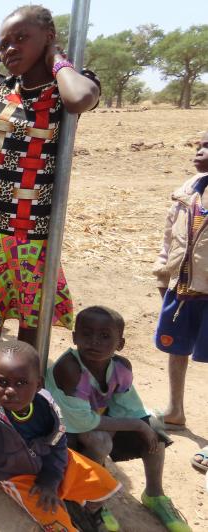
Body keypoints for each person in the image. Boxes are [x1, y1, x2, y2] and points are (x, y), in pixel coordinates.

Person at [0, 4, 100, 385]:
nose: (11, 48)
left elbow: (80, 99)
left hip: (34, 235)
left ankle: (26, 391)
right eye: (4, 42)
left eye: (21, 38)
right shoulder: (3, 87)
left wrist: (55, 60)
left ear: (49, 37)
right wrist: (7, 53)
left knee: (31, 321)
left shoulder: (66, 85)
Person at [47, 306, 190, 532]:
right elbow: (81, 422)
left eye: (105, 336)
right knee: (100, 441)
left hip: (91, 423)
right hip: (64, 433)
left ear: (120, 344)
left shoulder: (121, 367)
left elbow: (128, 408)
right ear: (74, 337)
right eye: (86, 333)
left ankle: (154, 495)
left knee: (154, 427)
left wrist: (138, 426)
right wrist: (134, 426)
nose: (94, 341)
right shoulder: (70, 368)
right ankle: (89, 498)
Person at [0, 340, 120, 531]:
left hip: (46, 458)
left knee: (103, 481)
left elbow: (58, 442)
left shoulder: (46, 405)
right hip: (13, 473)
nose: (10, 391)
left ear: (38, 384)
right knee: (55, 519)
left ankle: (86, 509)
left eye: (21, 383)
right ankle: (71, 509)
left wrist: (51, 478)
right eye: (2, 382)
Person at [151, 131, 208, 473]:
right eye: (198, 146)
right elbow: (169, 237)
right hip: (183, 287)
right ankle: (175, 410)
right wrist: (164, 275)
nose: (199, 152)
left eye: (207, 147)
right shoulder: (188, 190)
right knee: (177, 348)